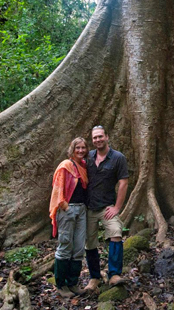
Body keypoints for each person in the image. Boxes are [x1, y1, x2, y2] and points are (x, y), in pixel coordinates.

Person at [83, 125, 129, 291]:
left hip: (107, 207)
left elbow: (123, 183)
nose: (97, 140)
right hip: (89, 207)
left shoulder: (118, 158)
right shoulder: (88, 157)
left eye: (100, 136)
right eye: (95, 138)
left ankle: (114, 274)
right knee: (90, 243)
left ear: (107, 137)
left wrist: (117, 207)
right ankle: (94, 277)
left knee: (116, 233)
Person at [49, 137, 89, 298]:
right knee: (65, 246)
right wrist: (65, 206)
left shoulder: (84, 166)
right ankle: (61, 284)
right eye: (77, 148)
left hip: (82, 210)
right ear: (72, 150)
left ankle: (73, 283)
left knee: (79, 247)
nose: (80, 150)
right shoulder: (65, 166)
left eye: (83, 148)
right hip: (68, 209)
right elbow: (57, 189)